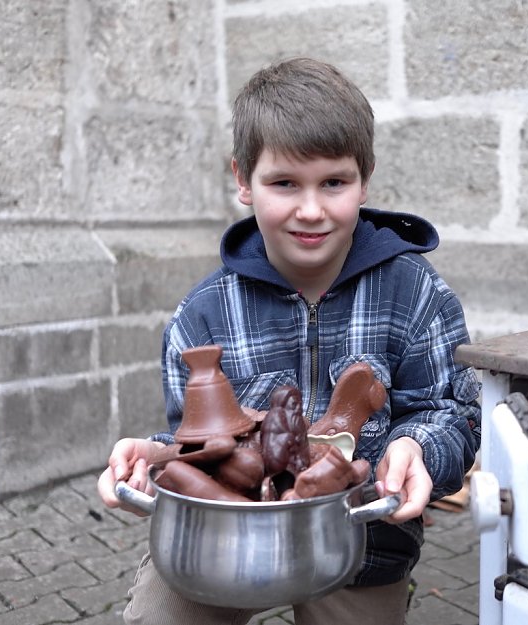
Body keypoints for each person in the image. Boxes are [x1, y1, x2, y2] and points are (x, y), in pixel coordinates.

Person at [97, 56, 481, 625]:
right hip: (222, 541)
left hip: (362, 543)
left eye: (334, 182)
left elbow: (453, 411)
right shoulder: (202, 316)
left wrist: (418, 448)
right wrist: (151, 458)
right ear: (242, 181)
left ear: (365, 178)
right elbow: (198, 446)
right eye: (283, 183)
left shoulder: (415, 293)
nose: (310, 210)